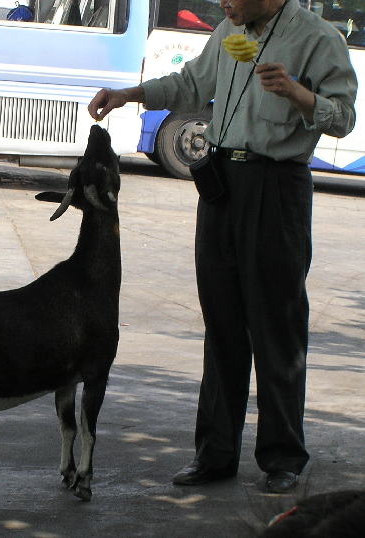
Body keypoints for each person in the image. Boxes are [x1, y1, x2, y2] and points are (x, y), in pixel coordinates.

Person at [88, 0, 356, 493]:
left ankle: (282, 458)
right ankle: (214, 454)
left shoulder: (318, 39)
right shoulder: (229, 32)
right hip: (220, 183)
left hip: (276, 187)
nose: (223, 3)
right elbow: (190, 84)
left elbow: (343, 118)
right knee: (223, 323)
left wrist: (299, 94)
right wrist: (130, 93)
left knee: (276, 325)